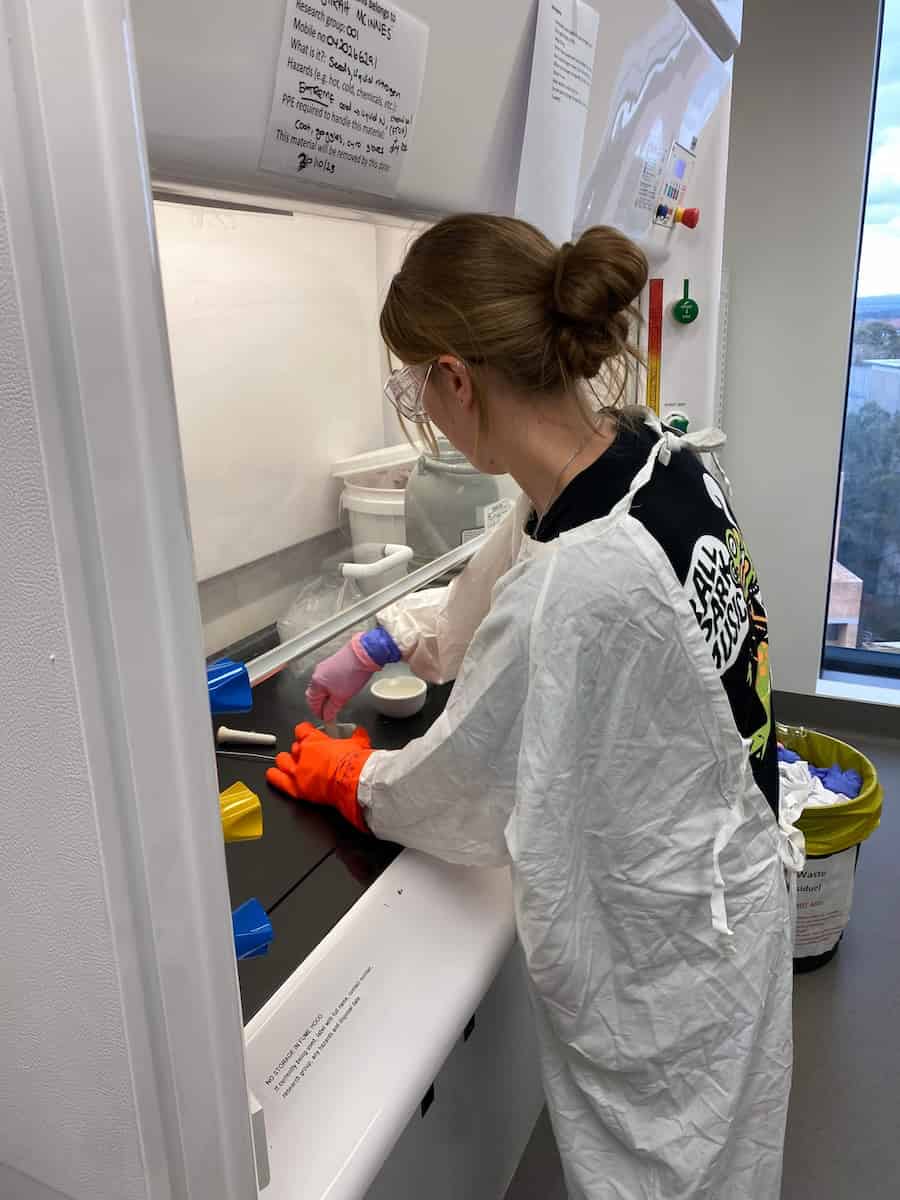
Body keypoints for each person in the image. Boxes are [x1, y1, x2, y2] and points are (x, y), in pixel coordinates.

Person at [267, 214, 801, 1199]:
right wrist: (394, 637)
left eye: (413, 386)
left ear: (456, 379)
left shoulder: (581, 581)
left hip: (671, 957)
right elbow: (509, 566)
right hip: (730, 895)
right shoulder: (653, 459)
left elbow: (464, 792)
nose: (420, 407)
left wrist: (360, 780)